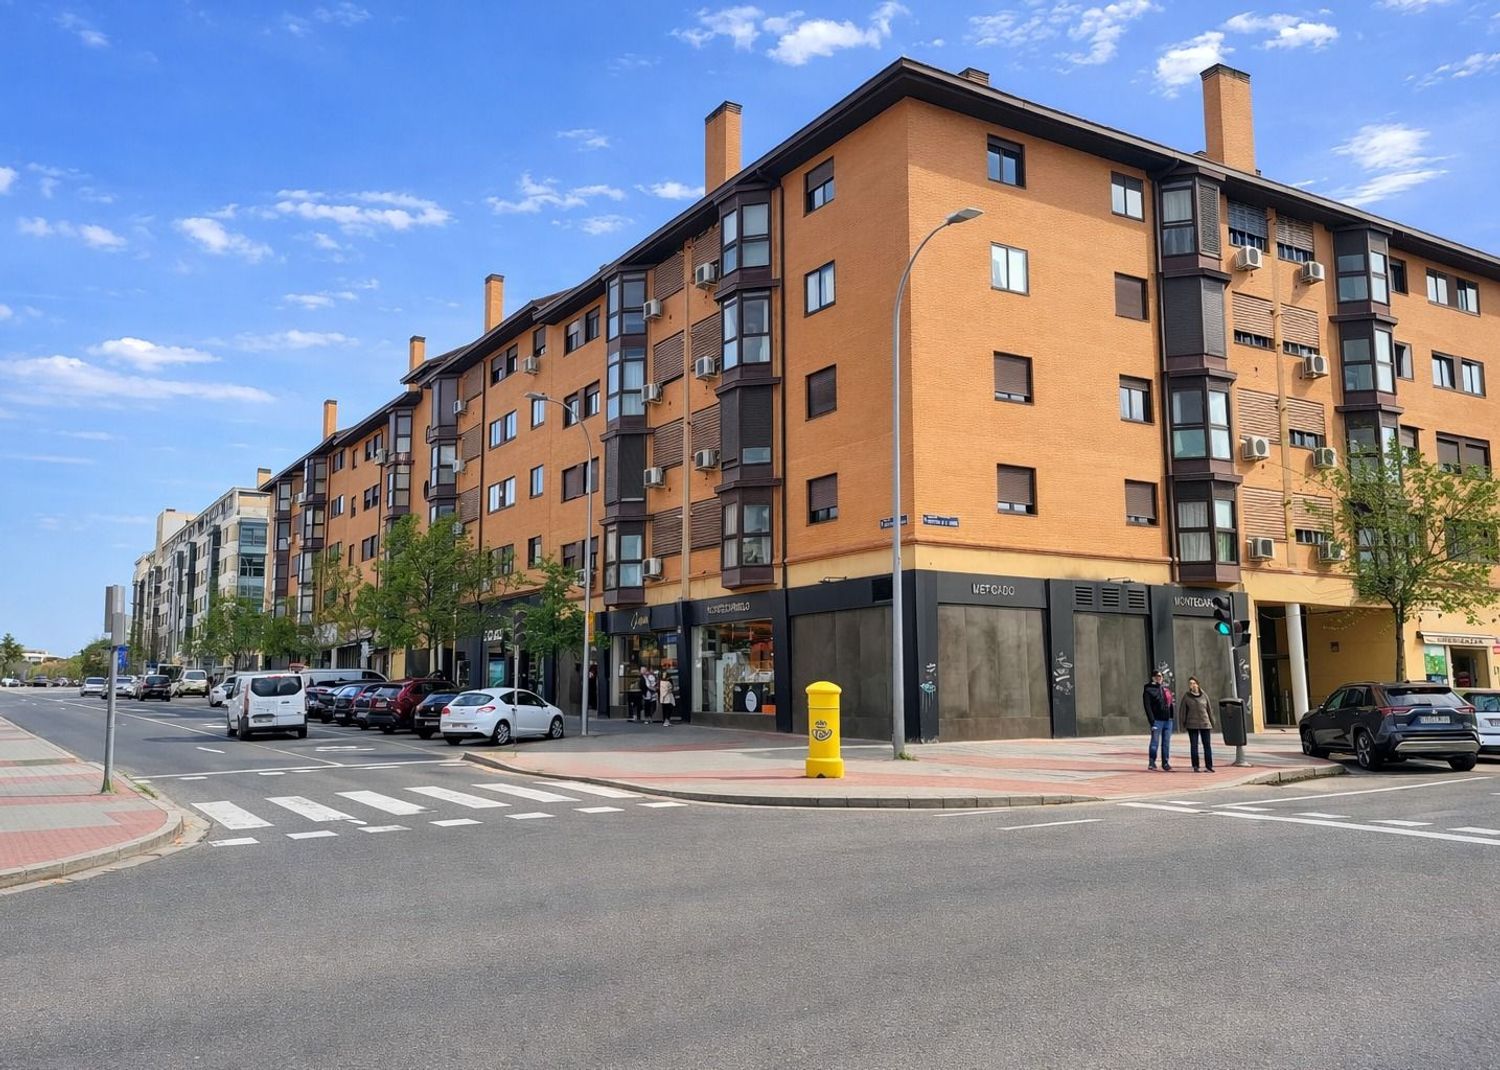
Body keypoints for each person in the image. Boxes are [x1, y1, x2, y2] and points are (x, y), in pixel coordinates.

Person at [1179, 676, 1215, 773]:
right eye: (1190, 683)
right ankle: (1196, 766)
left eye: (1194, 683)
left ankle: (1209, 766)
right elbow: (1182, 711)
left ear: (1198, 684)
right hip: (1192, 724)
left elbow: (1209, 710)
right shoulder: (1186, 696)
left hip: (1204, 723)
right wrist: (1182, 724)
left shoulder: (1204, 695)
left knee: (1207, 745)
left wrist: (1212, 722)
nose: (1192, 685)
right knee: (1194, 745)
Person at [1142, 670, 1174, 771]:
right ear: (1153, 678)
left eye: (1160, 676)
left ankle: (1165, 762)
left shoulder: (1165, 689)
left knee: (1166, 742)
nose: (1159, 678)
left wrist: (1172, 716)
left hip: (1168, 720)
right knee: (1154, 742)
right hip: (1157, 720)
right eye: (1157, 676)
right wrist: (1152, 721)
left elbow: (1170, 704)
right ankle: (1152, 761)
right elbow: (1147, 707)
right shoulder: (1148, 690)